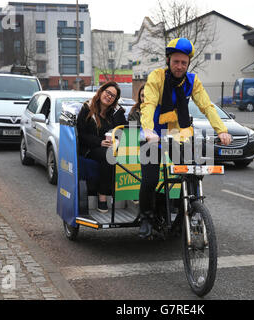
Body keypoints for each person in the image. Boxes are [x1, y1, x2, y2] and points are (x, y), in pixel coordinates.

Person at [138, 37, 232, 238]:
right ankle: (146, 217)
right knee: (150, 178)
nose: (179, 66)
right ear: (168, 60)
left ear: (188, 63)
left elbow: (207, 106)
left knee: (193, 172)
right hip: (152, 133)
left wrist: (221, 129)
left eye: (183, 62)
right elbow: (149, 105)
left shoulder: (192, 81)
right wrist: (148, 130)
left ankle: (184, 216)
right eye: (176, 61)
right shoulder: (157, 77)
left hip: (177, 133)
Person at [77, 81, 127, 213]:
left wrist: (119, 114)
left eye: (113, 96)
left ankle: (130, 192)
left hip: (110, 148)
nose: (109, 97)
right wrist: (99, 142)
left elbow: (124, 130)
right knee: (108, 155)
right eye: (108, 93)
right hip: (89, 148)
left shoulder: (114, 113)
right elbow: (81, 134)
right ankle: (102, 196)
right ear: (101, 92)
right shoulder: (87, 108)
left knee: (125, 154)